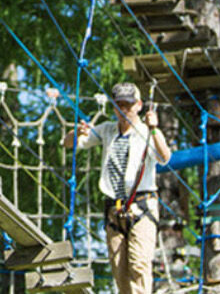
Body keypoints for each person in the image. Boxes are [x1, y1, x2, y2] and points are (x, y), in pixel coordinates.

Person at [64, 82, 172, 294]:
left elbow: (164, 158)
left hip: (142, 206)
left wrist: (154, 129)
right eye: (119, 105)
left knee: (138, 265)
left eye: (128, 105)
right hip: (114, 209)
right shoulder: (107, 131)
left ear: (139, 105)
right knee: (120, 271)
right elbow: (69, 144)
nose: (124, 110)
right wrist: (76, 132)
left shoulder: (145, 132)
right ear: (114, 107)